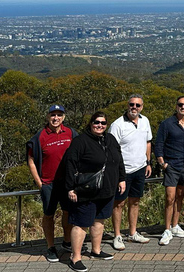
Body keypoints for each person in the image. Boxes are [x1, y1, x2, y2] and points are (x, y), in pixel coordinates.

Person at [60, 112, 126, 272]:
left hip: (107, 189)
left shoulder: (110, 139)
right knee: (81, 223)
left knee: (99, 220)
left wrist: (122, 178)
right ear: (90, 123)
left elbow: (119, 159)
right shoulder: (80, 141)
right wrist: (70, 188)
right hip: (86, 191)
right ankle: (75, 258)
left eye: (103, 123)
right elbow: (69, 164)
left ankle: (96, 250)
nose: (100, 125)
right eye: (97, 122)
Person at [26, 104, 78, 262]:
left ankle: (67, 242)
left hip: (68, 183)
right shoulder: (40, 136)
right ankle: (50, 247)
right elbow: (31, 160)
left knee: (68, 212)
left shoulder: (70, 133)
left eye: (59, 115)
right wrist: (39, 183)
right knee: (49, 215)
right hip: (48, 183)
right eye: (53, 115)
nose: (56, 118)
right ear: (47, 117)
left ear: (63, 117)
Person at [109, 94, 152, 250]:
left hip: (140, 168)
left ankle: (132, 233)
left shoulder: (145, 121)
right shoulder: (117, 125)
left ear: (142, 107)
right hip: (123, 171)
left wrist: (148, 162)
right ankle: (118, 235)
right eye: (131, 104)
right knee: (119, 203)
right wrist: (118, 173)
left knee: (135, 201)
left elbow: (148, 142)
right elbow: (112, 150)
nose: (134, 107)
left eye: (137, 105)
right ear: (127, 105)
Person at [154, 96, 184, 246]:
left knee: (180, 197)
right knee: (169, 198)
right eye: (180, 104)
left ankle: (175, 225)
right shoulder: (167, 124)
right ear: (176, 106)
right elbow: (158, 144)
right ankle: (166, 229)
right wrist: (163, 164)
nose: (183, 107)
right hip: (172, 165)